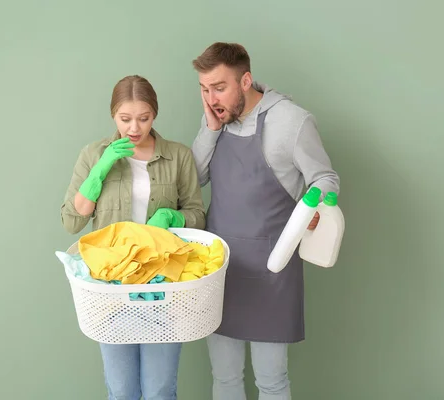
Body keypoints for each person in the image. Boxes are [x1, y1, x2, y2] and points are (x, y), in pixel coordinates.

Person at [190, 42, 341, 399]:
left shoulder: (292, 121)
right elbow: (192, 180)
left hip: (273, 268)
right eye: (204, 89)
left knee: (271, 380)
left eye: (220, 87)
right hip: (220, 266)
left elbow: (324, 178)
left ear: (246, 81)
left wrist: (318, 207)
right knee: (224, 378)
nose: (212, 98)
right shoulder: (216, 119)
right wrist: (210, 128)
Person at [61, 74, 205, 400]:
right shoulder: (92, 153)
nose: (134, 128)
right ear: (114, 115)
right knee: (122, 391)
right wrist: (101, 168)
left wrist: (172, 217)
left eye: (144, 118)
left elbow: (198, 216)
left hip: (163, 289)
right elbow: (72, 220)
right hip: (111, 290)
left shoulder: (178, 156)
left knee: (159, 391)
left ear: (155, 114)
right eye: (125, 119)